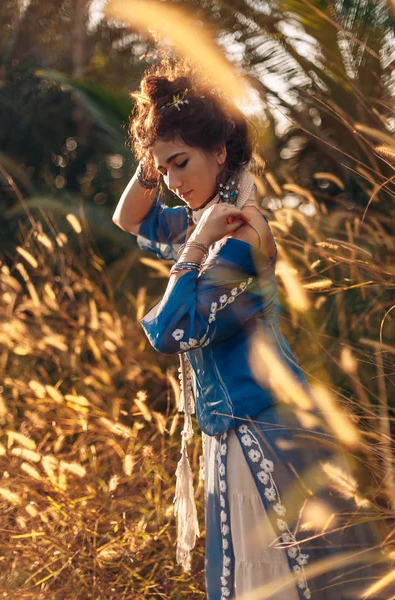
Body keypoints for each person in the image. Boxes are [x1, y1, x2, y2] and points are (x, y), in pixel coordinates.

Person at [113, 60, 392, 600]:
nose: (171, 182)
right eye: (162, 169)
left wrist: (192, 252)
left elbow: (172, 332)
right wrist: (155, 149)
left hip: (265, 430)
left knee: (291, 582)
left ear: (219, 152)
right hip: (228, 433)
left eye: (180, 163)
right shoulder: (205, 217)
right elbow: (131, 218)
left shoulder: (243, 229)